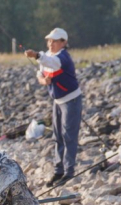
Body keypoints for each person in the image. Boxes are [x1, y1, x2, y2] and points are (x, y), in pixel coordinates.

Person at [25, 28, 82, 187]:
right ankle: (59, 171)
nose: (51, 43)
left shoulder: (62, 57)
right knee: (57, 135)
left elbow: (50, 63)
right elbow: (41, 71)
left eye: (54, 41)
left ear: (63, 43)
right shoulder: (48, 56)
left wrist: (36, 55)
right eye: (49, 40)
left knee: (68, 135)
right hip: (57, 101)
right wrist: (43, 80)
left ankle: (69, 172)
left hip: (71, 100)